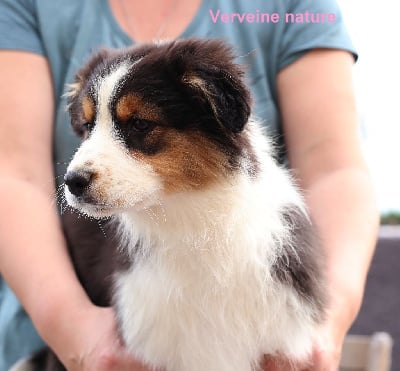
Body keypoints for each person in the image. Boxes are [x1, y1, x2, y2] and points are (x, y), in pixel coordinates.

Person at [0, 0, 379, 370]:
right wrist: (77, 335)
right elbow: (13, 174)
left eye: (141, 125)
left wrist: (329, 321)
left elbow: (336, 168)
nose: (81, 165)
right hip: (66, 336)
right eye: (88, 128)